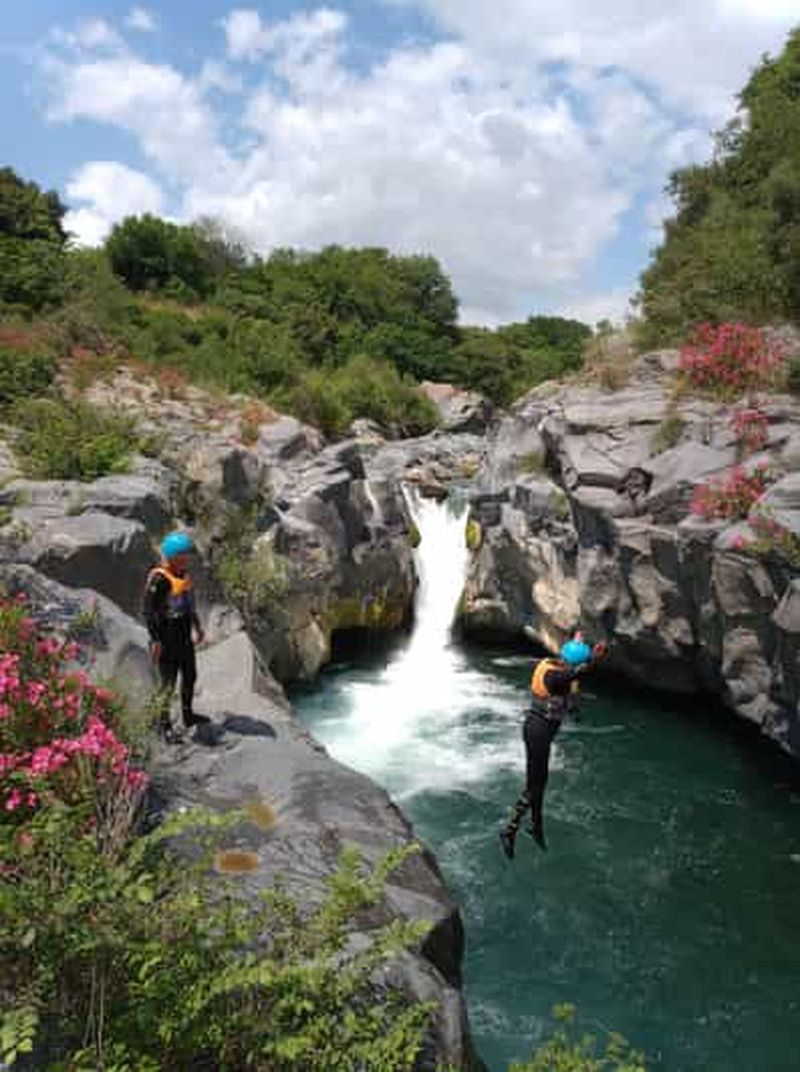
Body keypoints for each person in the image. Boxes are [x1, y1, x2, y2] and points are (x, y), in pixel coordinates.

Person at [499, 631, 607, 858]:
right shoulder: (556, 677)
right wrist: (594, 658)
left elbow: (573, 666)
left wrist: (577, 643)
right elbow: (577, 671)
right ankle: (509, 831)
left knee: (540, 784)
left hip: (539, 732)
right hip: (537, 732)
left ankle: (536, 828)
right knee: (533, 787)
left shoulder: (554, 664)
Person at [144, 531, 206, 743]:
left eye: (187, 555)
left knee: (190, 676)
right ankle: (163, 725)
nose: (187, 559)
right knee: (167, 684)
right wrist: (156, 640)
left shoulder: (183, 575)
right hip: (166, 638)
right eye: (183, 555)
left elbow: (189, 605)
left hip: (183, 636)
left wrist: (197, 627)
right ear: (172, 556)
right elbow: (149, 612)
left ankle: (188, 715)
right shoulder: (159, 579)